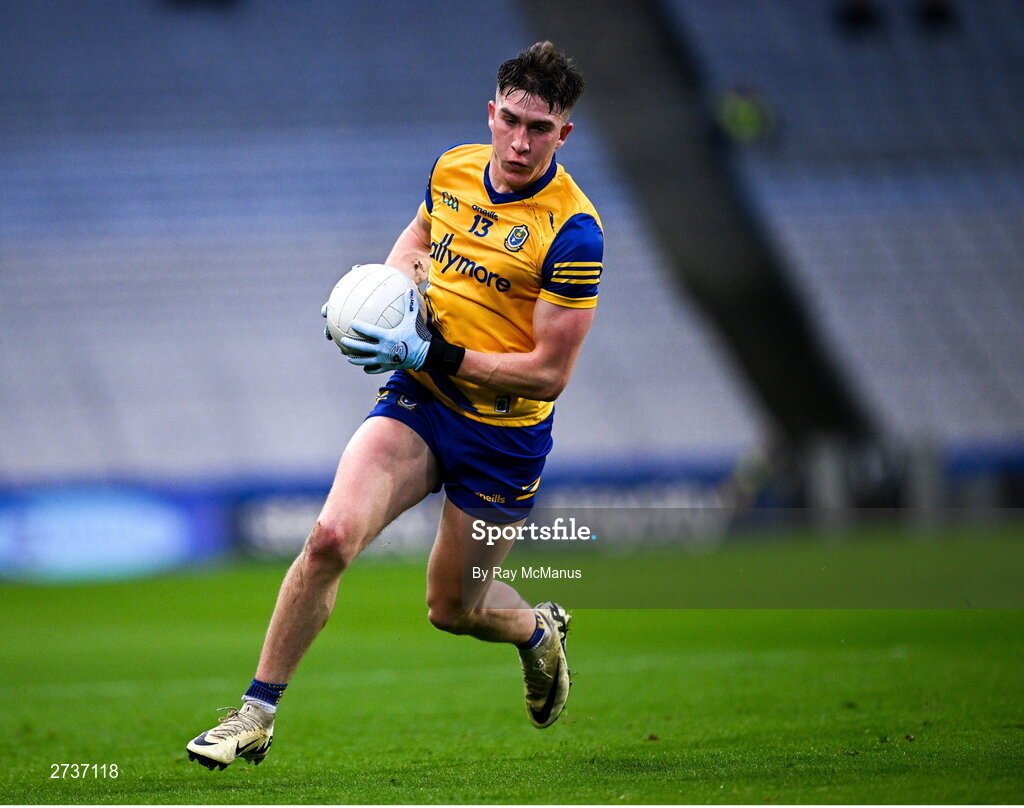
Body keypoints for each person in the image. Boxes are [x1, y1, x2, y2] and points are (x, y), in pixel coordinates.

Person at [186, 40, 603, 770]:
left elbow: (548, 374)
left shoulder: (573, 232)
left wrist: (433, 352)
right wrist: (387, 297)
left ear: (562, 134)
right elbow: (419, 237)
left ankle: (536, 631)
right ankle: (255, 714)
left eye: (539, 129)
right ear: (491, 113)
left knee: (453, 610)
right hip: (422, 399)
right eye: (510, 121)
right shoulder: (452, 169)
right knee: (328, 539)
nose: (519, 141)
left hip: (503, 436)